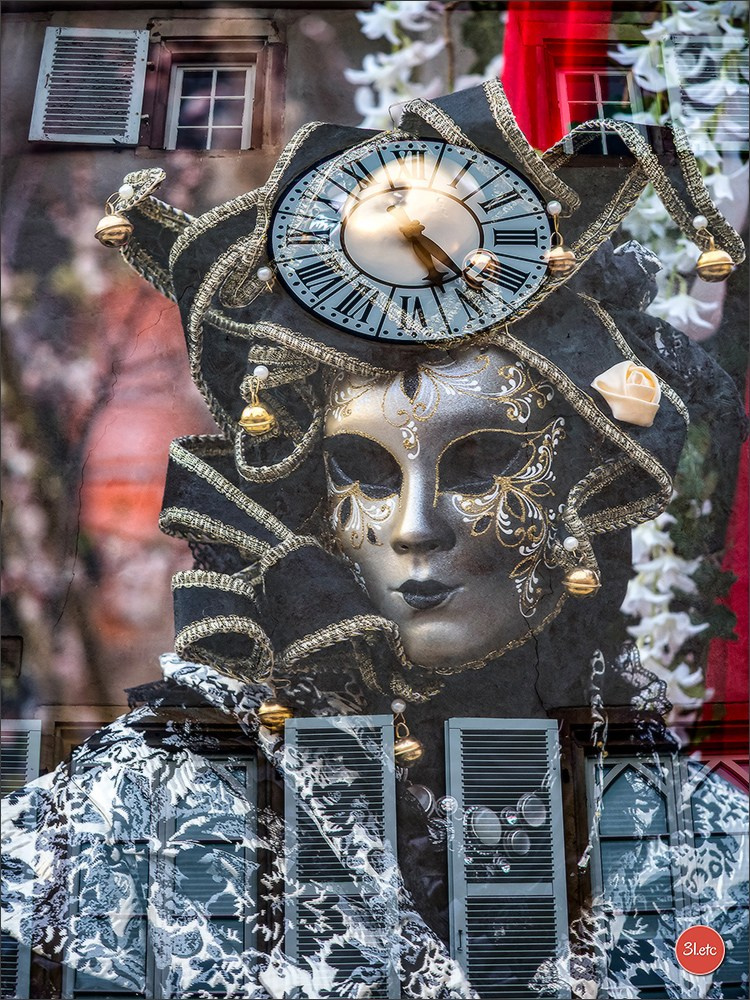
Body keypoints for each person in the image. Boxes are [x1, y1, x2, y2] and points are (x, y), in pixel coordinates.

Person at [3, 82, 747, 999]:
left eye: (482, 460)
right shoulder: (164, 813)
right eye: (364, 469)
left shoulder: (682, 835)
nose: (414, 527)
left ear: (586, 482)